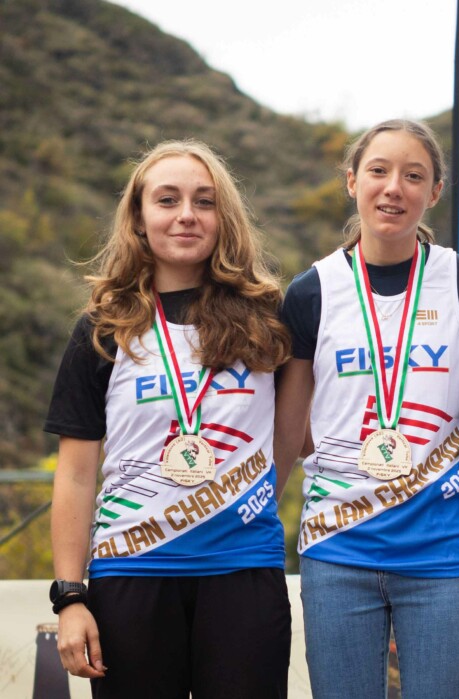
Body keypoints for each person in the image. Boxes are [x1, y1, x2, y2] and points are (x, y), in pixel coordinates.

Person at [45, 140, 293, 697]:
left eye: (204, 201)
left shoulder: (267, 320)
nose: (186, 214)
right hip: (130, 575)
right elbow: (77, 472)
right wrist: (70, 595)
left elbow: (294, 436)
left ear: (222, 217)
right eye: (167, 199)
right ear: (138, 217)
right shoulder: (103, 328)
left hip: (243, 575)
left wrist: (244, 501)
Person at [274, 118, 459, 699]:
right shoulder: (311, 292)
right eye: (378, 170)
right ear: (352, 181)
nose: (393, 187)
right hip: (337, 550)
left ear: (434, 192)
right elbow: (287, 437)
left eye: (413, 175)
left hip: (442, 554)